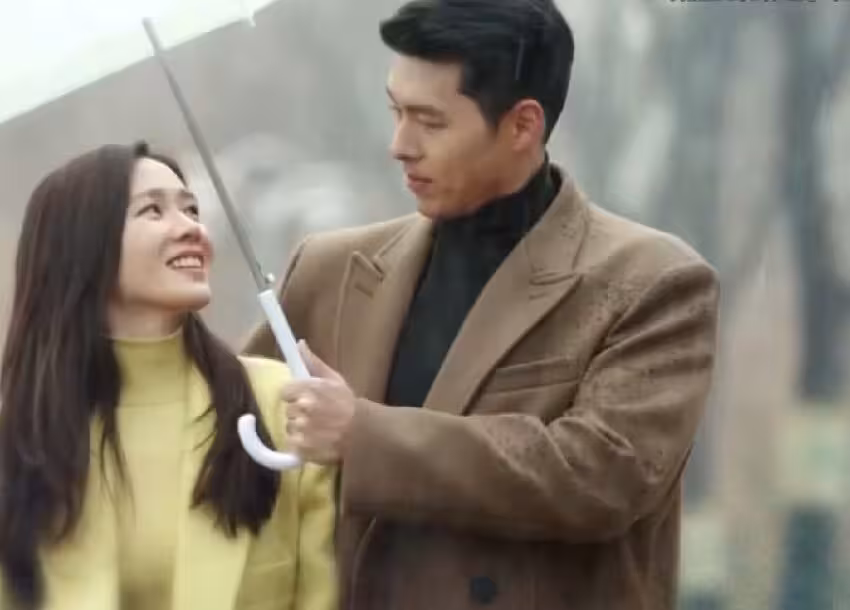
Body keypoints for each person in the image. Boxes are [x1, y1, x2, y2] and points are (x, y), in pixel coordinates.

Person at [245, 0, 720, 608]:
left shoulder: (649, 283)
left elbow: (601, 474)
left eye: (430, 121)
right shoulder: (328, 269)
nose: (399, 145)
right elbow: (214, 430)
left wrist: (362, 437)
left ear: (522, 125)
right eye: (396, 111)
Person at [0, 143, 336, 610]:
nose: (192, 228)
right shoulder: (19, 438)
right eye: (153, 210)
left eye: (191, 209)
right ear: (83, 244)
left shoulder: (282, 404)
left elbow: (323, 592)